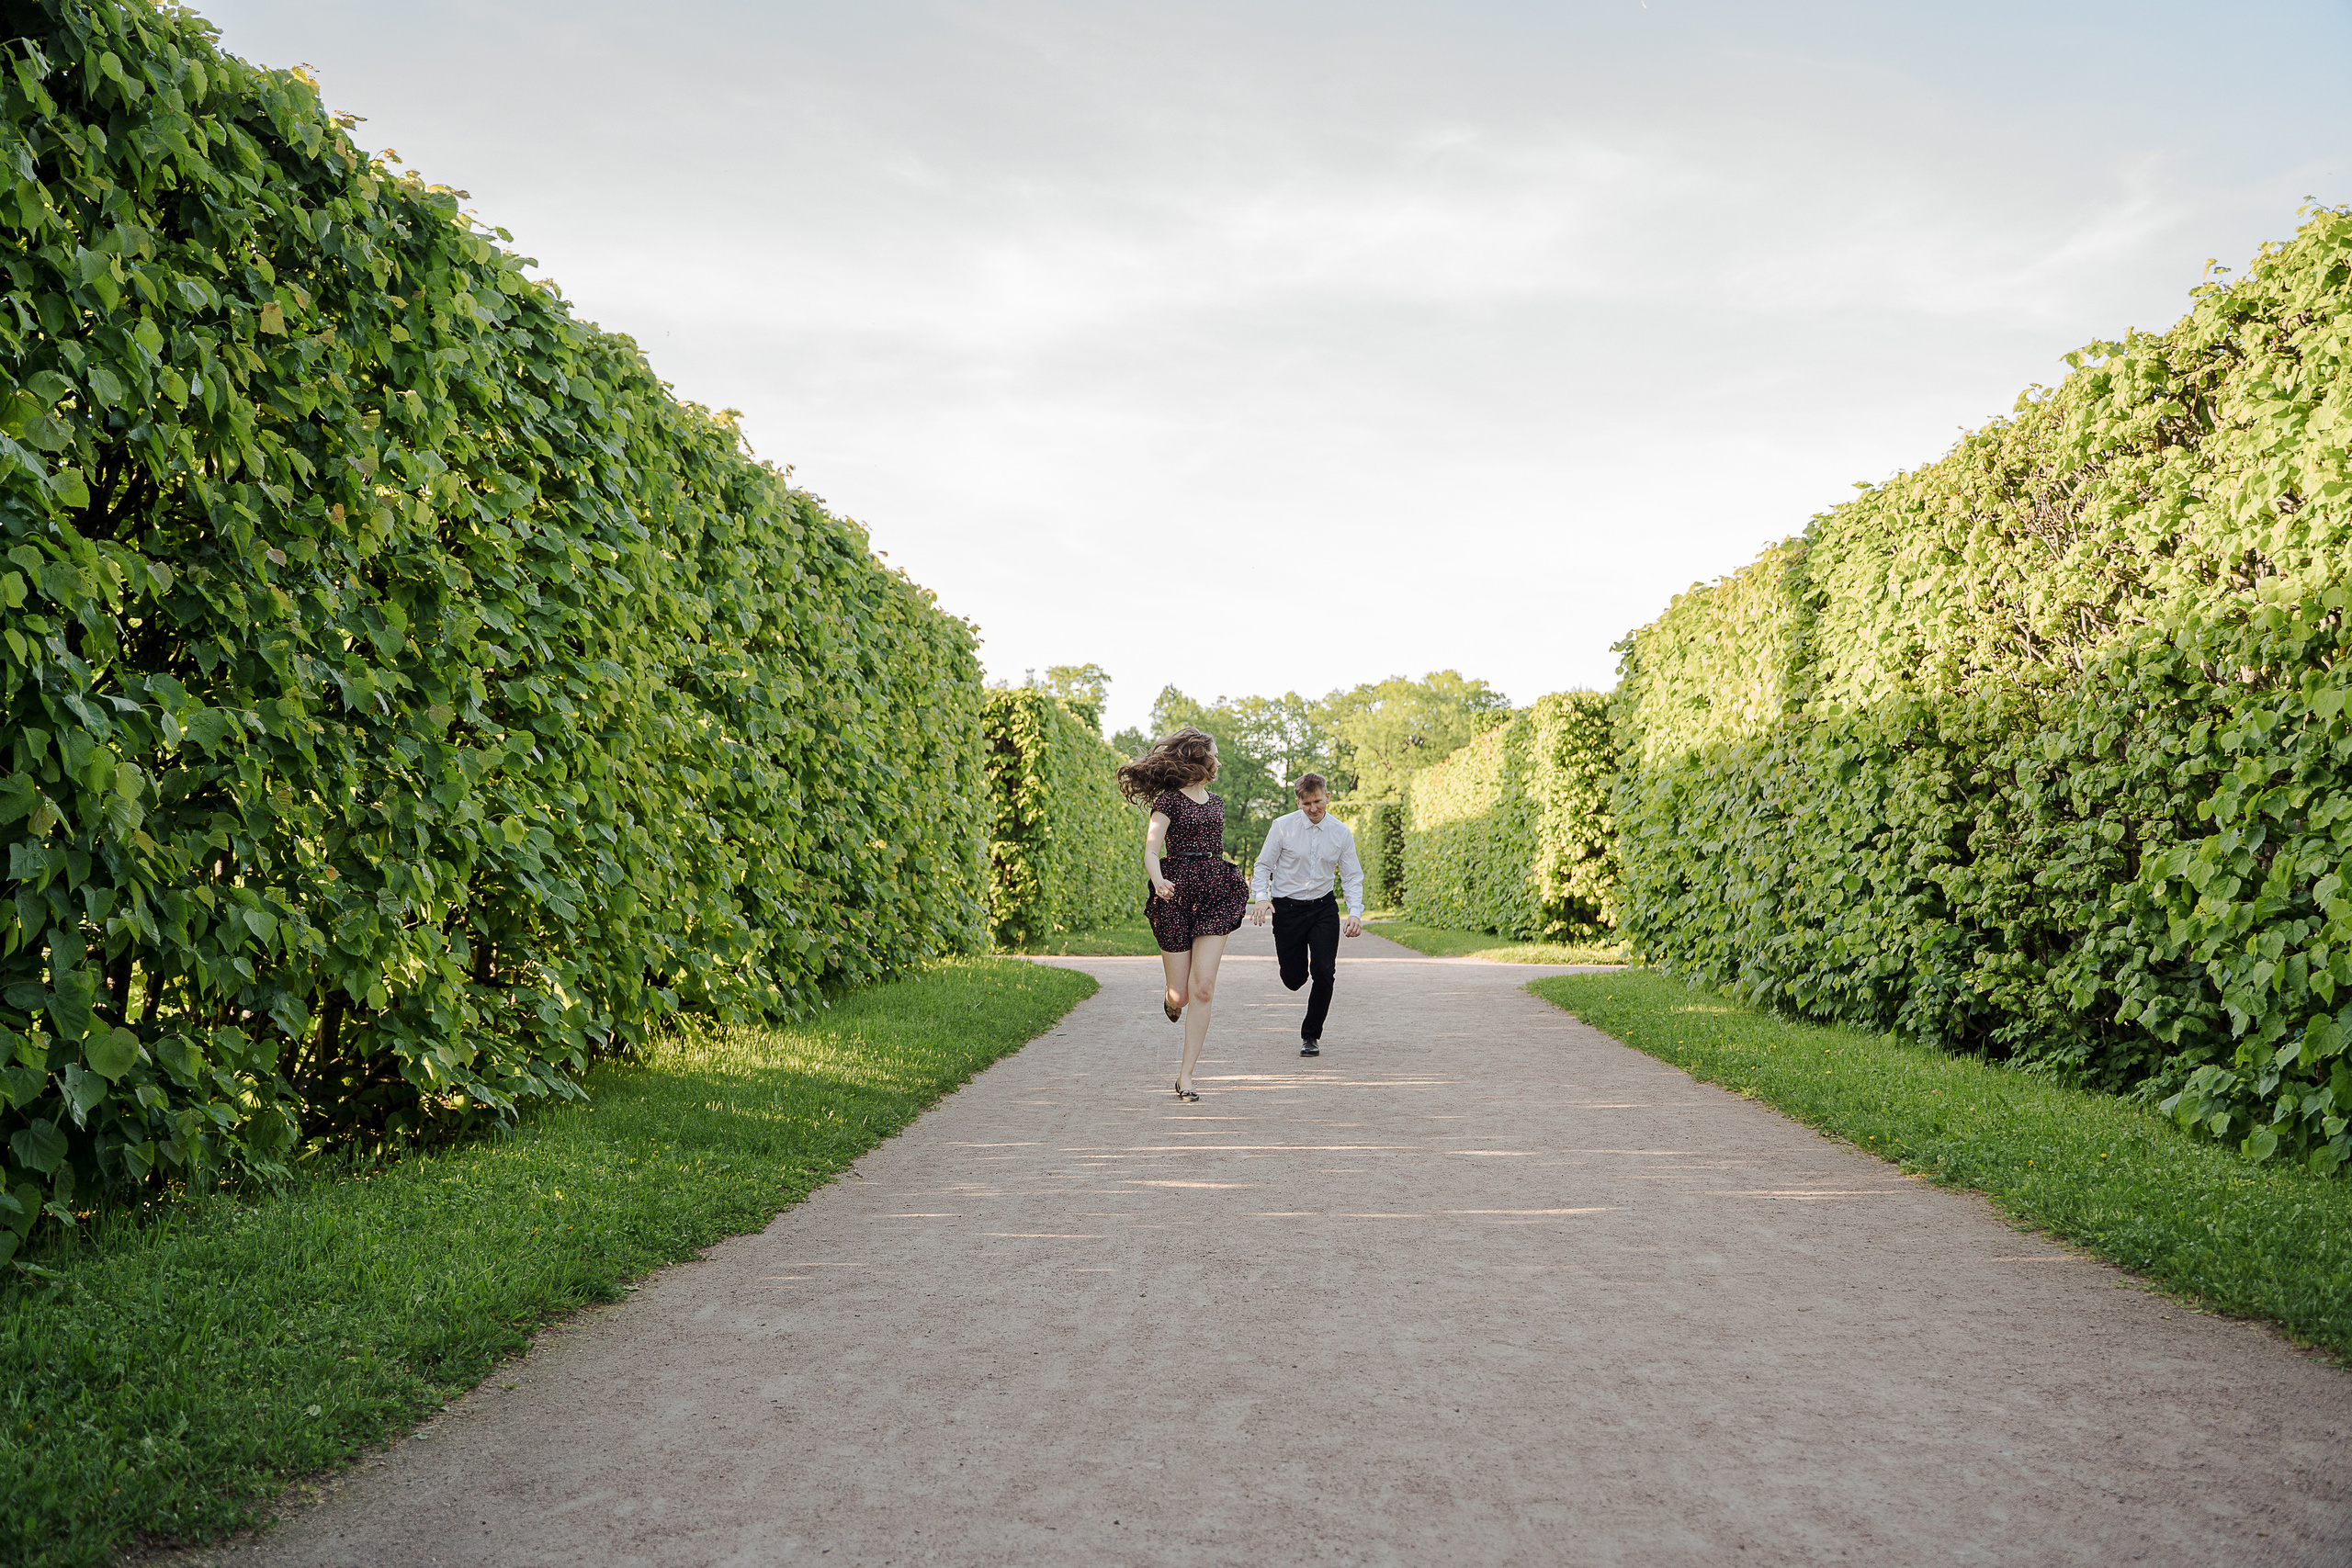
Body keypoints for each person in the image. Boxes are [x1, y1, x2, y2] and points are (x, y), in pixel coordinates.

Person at [1117, 727, 1250, 1101]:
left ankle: (1186, 1076)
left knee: (1203, 987)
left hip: (1215, 891)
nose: (1219, 761)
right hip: (1174, 892)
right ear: (1198, 757)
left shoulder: (1219, 803)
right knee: (1181, 995)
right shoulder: (1168, 802)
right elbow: (1150, 849)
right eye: (1215, 754)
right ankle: (1171, 1000)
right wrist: (1158, 880)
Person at [1249, 773, 1364, 1057]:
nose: (1314, 808)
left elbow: (1352, 876)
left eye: (1318, 801)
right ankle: (1294, 971)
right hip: (1287, 909)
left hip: (1323, 908)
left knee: (1324, 971)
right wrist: (1262, 898)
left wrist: (1355, 913)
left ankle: (1311, 1035)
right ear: (1298, 801)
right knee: (1294, 979)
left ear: (1327, 797)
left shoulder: (1341, 832)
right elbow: (1263, 866)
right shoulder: (1282, 828)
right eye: (1307, 803)